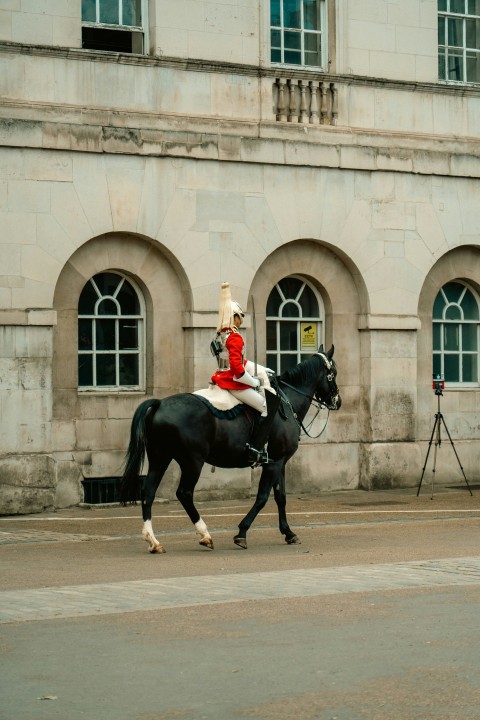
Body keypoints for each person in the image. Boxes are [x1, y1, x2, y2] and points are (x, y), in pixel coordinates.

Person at [210, 282, 279, 465]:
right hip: (232, 382)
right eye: (239, 317)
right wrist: (254, 383)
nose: (241, 320)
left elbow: (238, 361)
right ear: (234, 317)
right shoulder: (235, 337)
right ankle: (256, 450)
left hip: (220, 376)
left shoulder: (222, 335)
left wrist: (260, 368)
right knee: (265, 407)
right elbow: (237, 370)